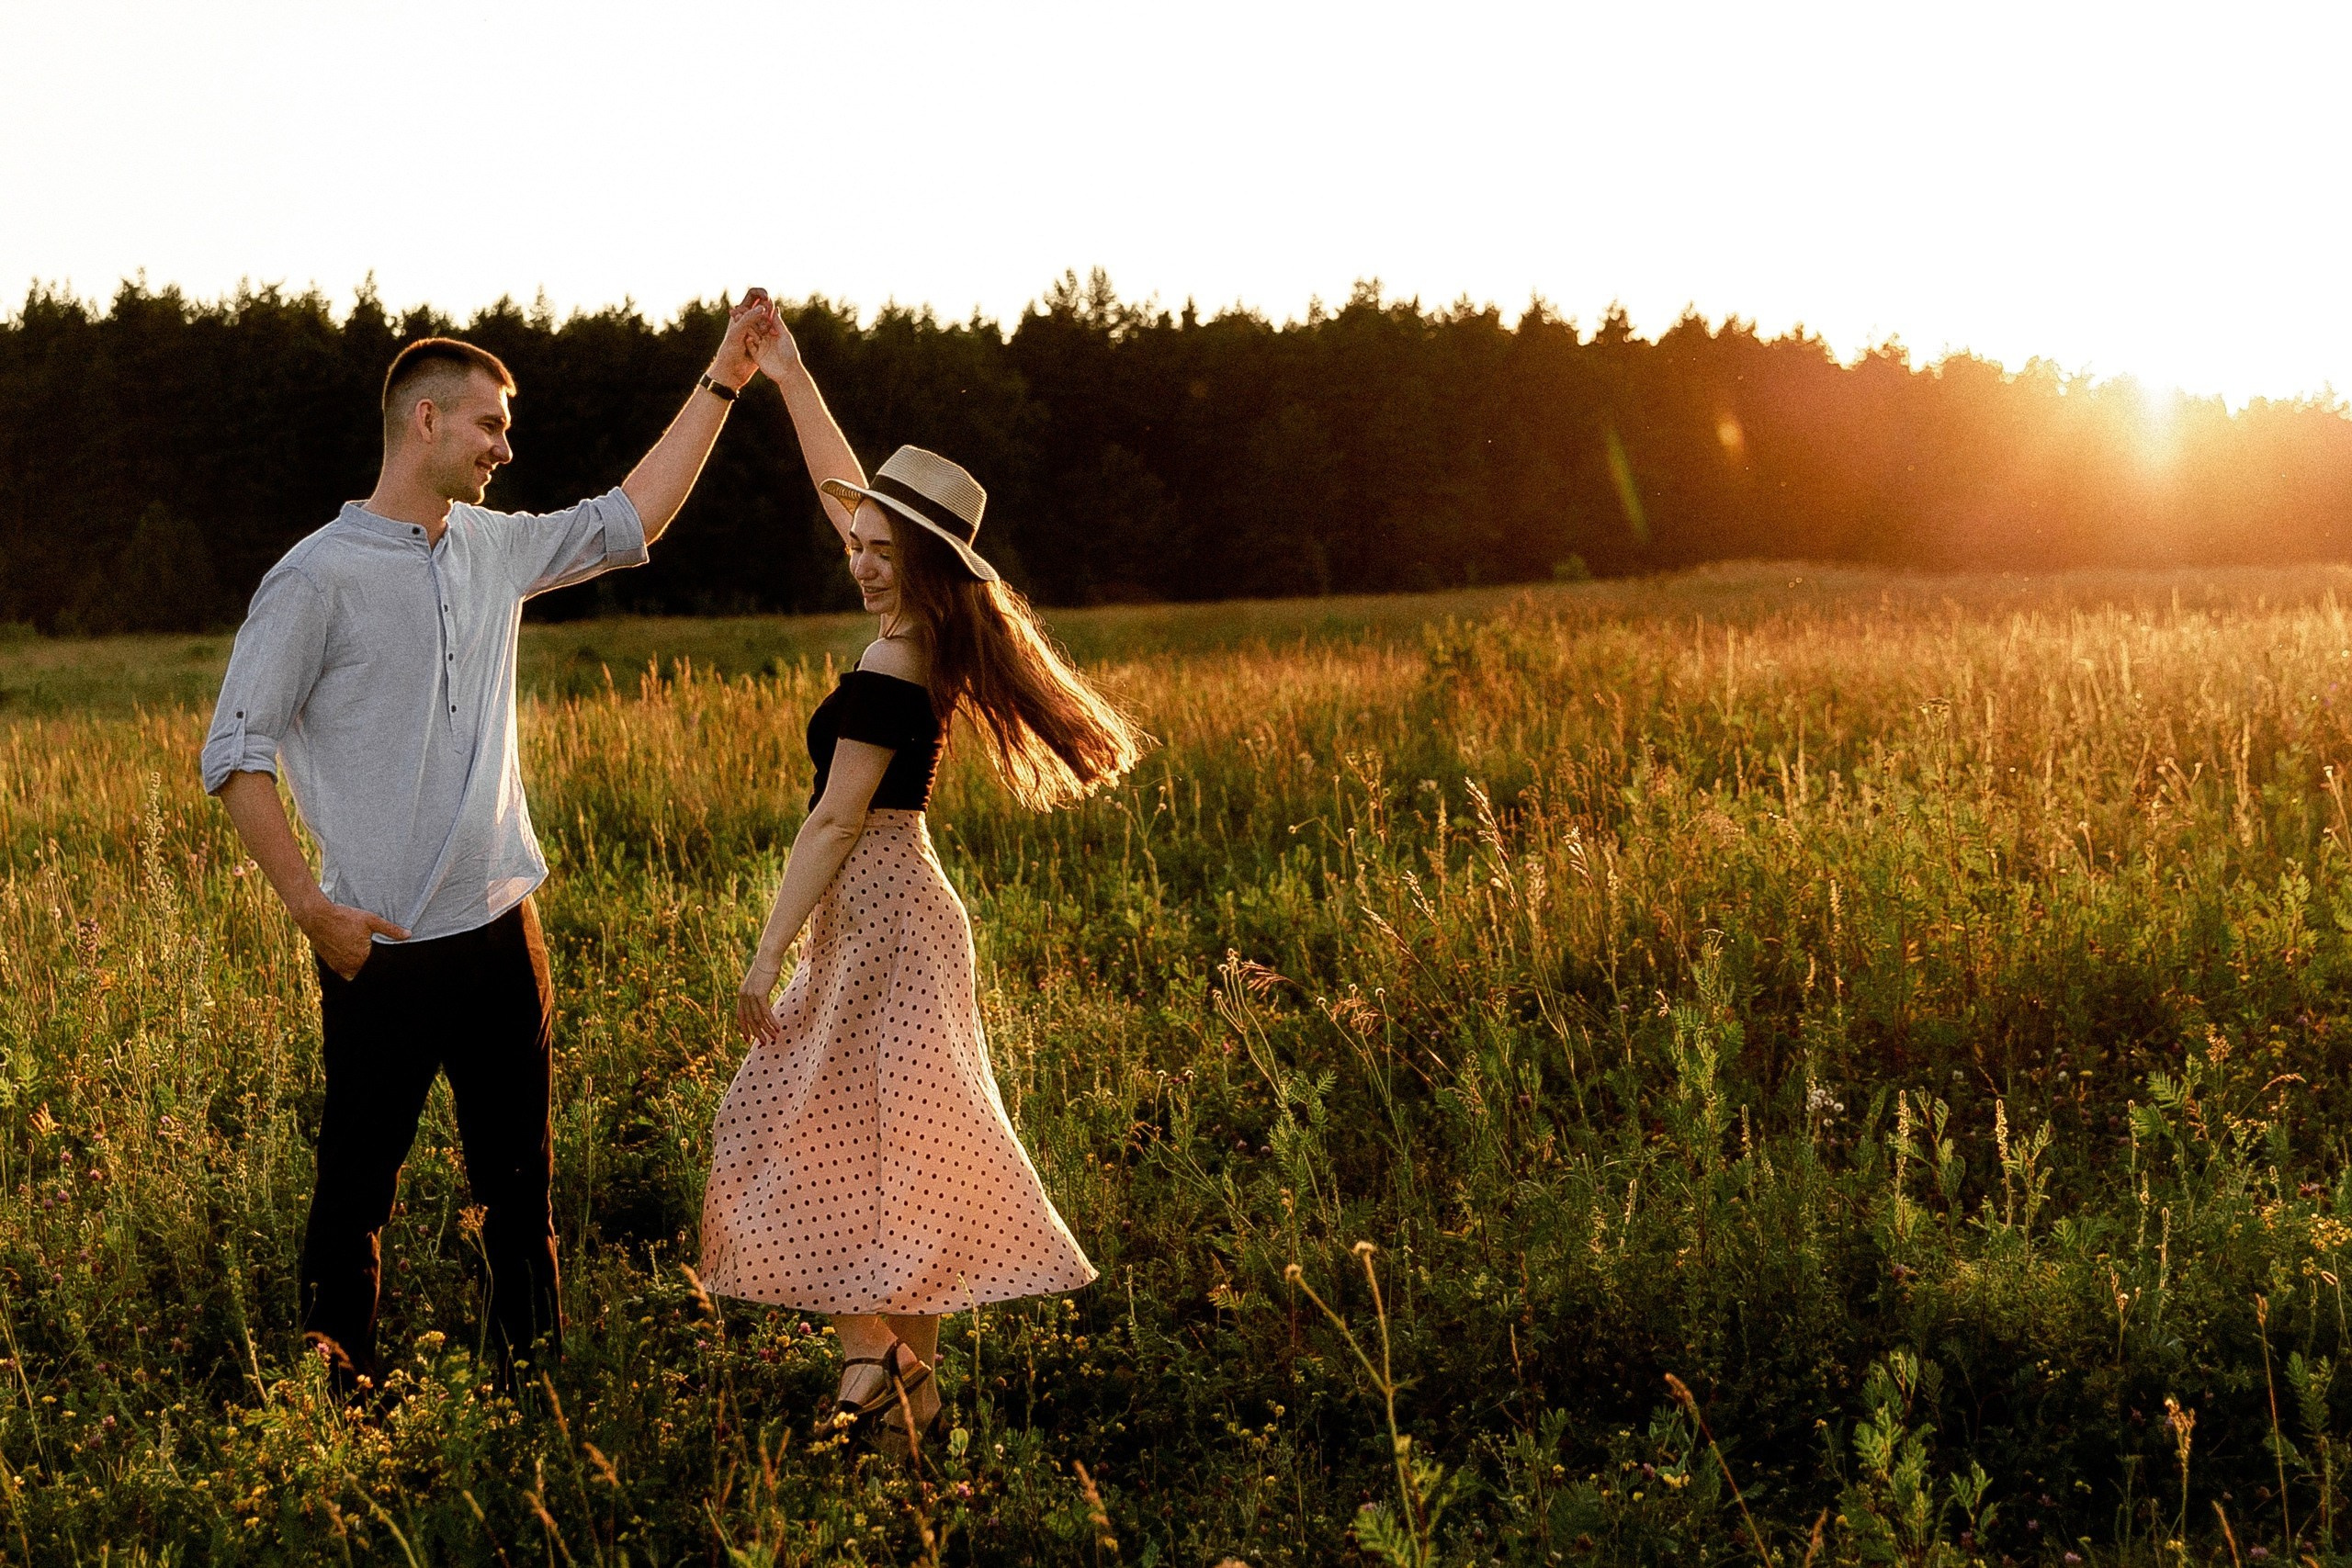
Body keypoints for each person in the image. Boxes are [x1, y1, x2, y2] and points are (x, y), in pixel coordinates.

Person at [201, 292, 780, 1389]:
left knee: (521, 1186)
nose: (506, 448)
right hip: (381, 943)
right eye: (491, 426)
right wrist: (313, 912)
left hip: (503, 931)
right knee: (355, 1188)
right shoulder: (314, 578)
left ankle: (529, 1392)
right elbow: (235, 753)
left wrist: (724, 377)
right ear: (425, 422)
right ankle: (336, 1398)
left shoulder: (494, 549)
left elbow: (632, 518)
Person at [700, 310, 1146, 1459]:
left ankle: (871, 1359)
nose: (857, 560)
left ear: (923, 568)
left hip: (880, 906)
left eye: (879, 554)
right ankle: (912, 1409)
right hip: (903, 909)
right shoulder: (921, 627)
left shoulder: (891, 658)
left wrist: (765, 953)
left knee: (784, 1118)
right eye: (856, 545)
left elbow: (837, 817)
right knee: (905, 1140)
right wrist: (789, 376)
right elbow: (849, 493)